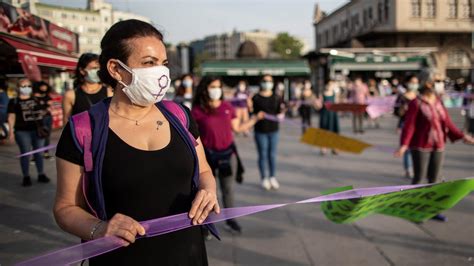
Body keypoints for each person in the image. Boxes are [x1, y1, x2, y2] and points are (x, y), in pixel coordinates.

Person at [53, 20, 219, 265]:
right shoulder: (84, 129)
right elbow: (65, 208)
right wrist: (98, 228)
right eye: (149, 63)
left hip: (190, 254)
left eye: (163, 64)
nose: (161, 73)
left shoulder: (179, 116)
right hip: (122, 258)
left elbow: (204, 170)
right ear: (116, 69)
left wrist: (209, 190)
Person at [192, 76, 264, 234]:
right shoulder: (197, 111)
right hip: (207, 157)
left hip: (227, 155)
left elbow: (238, 128)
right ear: (205, 89)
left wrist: (255, 119)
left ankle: (231, 220)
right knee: (209, 191)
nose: (216, 90)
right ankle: (206, 224)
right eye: (212, 87)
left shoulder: (227, 107)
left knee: (228, 189)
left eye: (218, 86)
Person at [395, 80, 474, 221]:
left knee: (435, 179)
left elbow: (447, 122)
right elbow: (409, 125)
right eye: (431, 86)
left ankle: (433, 210)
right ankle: (414, 210)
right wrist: (404, 145)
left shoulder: (438, 102)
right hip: (420, 146)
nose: (433, 89)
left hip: (438, 145)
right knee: (419, 179)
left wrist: (462, 136)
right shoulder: (416, 103)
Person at [7, 78, 50, 186]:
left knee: (39, 154)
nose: (26, 88)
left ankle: (41, 174)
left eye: (28, 86)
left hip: (38, 131)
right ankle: (26, 176)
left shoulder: (36, 99)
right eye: (23, 86)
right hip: (22, 132)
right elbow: (11, 116)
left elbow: (45, 111)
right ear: (18, 88)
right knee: (25, 154)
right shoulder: (14, 101)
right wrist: (11, 131)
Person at [252, 74, 284, 190]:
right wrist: (255, 115)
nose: (267, 83)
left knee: (272, 155)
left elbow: (280, 111)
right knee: (262, 155)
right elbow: (252, 113)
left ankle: (272, 176)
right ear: (261, 82)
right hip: (260, 130)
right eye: (265, 81)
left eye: (270, 81)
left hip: (274, 130)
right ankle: (263, 178)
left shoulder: (276, 97)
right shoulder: (256, 97)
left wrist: (282, 114)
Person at [62, 53, 113, 124]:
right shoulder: (70, 95)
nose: (97, 71)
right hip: (81, 135)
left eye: (99, 68)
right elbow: (66, 122)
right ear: (82, 71)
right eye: (94, 68)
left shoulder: (110, 92)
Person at [394, 75, 419, 178]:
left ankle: (418, 168)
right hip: (406, 124)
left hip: (419, 125)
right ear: (407, 83)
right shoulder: (402, 96)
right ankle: (408, 169)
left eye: (416, 82)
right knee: (406, 147)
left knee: (417, 147)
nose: (414, 84)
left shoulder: (420, 96)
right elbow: (396, 111)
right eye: (412, 82)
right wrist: (402, 110)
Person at [318, 80, 340, 155]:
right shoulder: (322, 94)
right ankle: (323, 148)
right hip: (324, 114)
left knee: (334, 131)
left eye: (332, 85)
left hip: (333, 115)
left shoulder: (335, 94)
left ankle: (334, 147)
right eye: (329, 84)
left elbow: (337, 104)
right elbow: (319, 106)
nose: (330, 86)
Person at [33, 81, 53, 159]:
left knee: (47, 136)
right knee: (37, 136)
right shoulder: (33, 97)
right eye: (42, 86)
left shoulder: (48, 96)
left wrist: (44, 111)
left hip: (47, 118)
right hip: (37, 119)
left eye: (45, 86)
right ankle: (36, 155)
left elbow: (50, 107)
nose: (44, 88)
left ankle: (46, 153)